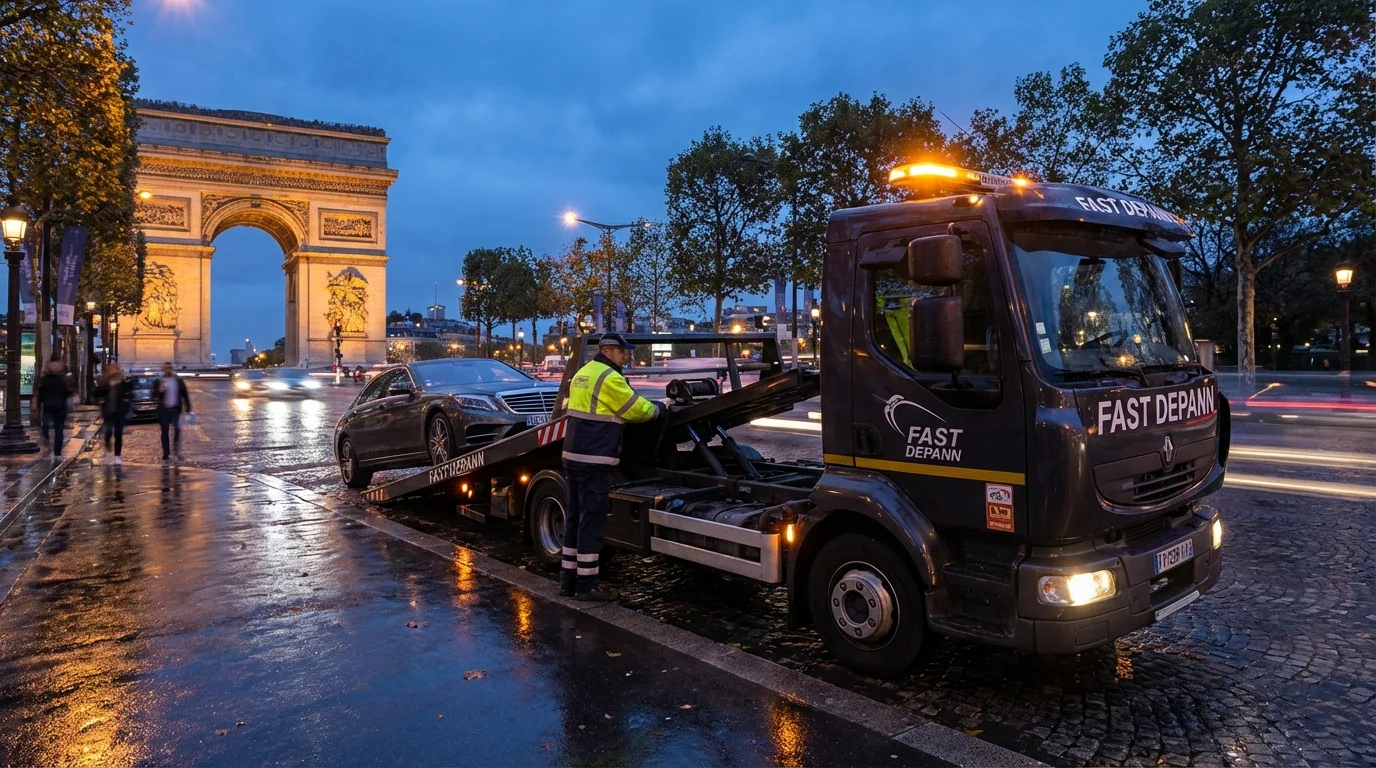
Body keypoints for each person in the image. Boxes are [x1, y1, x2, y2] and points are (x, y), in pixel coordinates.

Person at [560, 332, 664, 601]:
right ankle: (587, 585)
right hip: (594, 459)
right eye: (621, 351)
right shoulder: (609, 377)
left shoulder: (584, 373)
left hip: (574, 456)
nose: (625, 355)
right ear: (606, 350)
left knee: (574, 519)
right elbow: (636, 409)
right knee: (591, 522)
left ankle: (568, 580)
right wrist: (660, 409)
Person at [93, 363, 133, 465]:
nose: (113, 372)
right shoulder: (104, 382)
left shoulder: (123, 382)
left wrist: (126, 406)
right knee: (108, 433)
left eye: (115, 369)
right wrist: (108, 386)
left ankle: (117, 456)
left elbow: (129, 394)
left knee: (118, 434)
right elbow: (96, 393)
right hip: (108, 412)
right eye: (111, 369)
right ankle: (107, 447)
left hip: (119, 413)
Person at [152, 361, 193, 461]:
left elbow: (184, 393)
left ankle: (176, 451)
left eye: (169, 368)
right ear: (163, 370)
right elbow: (153, 396)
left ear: (172, 369)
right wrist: (159, 390)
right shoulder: (159, 381)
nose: (168, 370)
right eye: (166, 368)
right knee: (164, 431)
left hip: (176, 409)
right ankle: (166, 453)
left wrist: (188, 407)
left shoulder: (178, 381)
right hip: (164, 410)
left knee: (177, 430)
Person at [36, 359, 72, 457]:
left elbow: (68, 391)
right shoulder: (47, 379)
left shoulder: (62, 379)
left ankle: (57, 451)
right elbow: (40, 391)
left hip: (58, 407)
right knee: (49, 426)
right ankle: (54, 447)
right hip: (52, 406)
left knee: (57, 429)